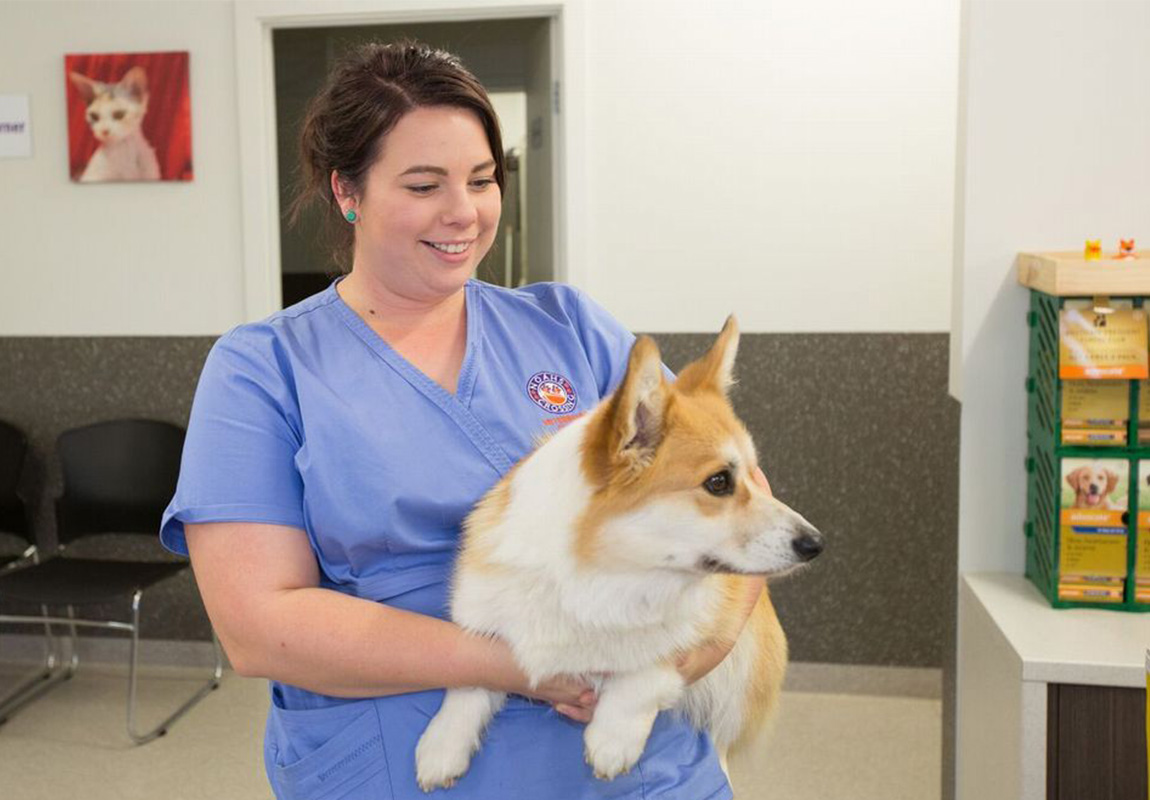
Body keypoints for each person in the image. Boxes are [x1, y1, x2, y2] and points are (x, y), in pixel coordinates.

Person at [161, 40, 767, 800]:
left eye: (483, 179)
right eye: (424, 185)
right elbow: (256, 626)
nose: (464, 212)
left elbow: (738, 495)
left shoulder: (569, 326)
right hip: (405, 758)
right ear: (347, 192)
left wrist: (665, 671)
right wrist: (519, 666)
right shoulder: (264, 370)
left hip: (635, 763)